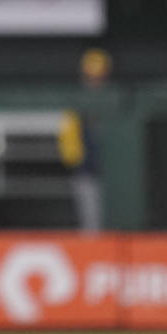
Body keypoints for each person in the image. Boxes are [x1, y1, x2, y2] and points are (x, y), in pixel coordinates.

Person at [57, 48, 111, 232]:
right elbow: (68, 138)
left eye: (98, 76)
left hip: (114, 173)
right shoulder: (76, 101)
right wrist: (75, 160)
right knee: (91, 226)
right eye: (90, 76)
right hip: (87, 171)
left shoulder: (112, 98)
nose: (94, 80)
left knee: (117, 225)